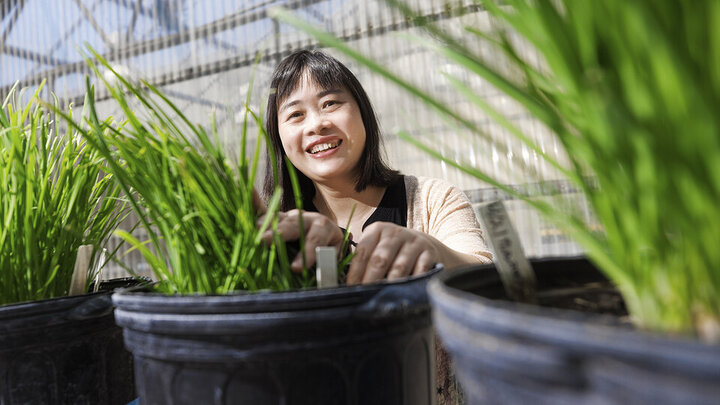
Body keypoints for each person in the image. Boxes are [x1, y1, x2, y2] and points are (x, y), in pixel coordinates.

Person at [258, 49, 491, 285]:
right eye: (296, 114)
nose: (316, 125)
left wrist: (431, 249)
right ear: (278, 138)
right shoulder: (274, 230)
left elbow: (485, 272)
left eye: (329, 103)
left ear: (362, 113)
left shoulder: (433, 199)